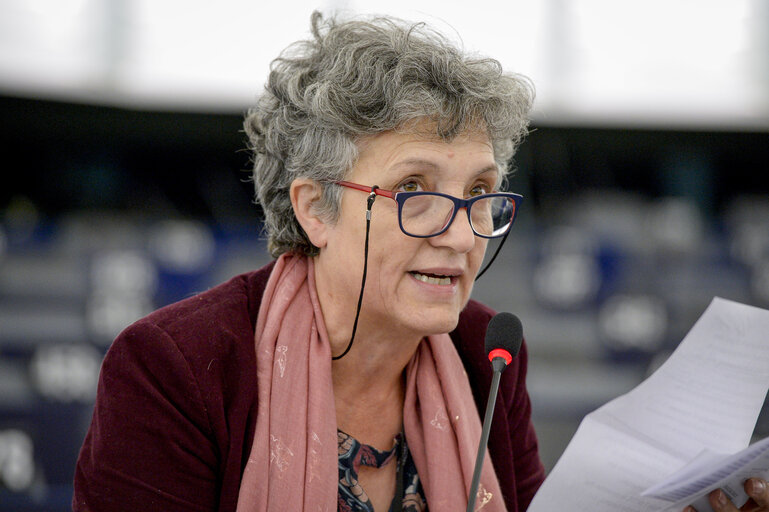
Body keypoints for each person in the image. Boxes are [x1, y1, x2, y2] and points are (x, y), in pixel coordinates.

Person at [72, 11, 544, 512]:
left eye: (478, 191)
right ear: (315, 208)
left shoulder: (489, 355)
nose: (459, 234)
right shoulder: (175, 367)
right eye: (411, 189)